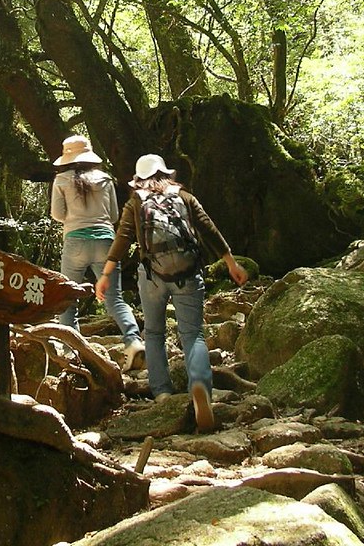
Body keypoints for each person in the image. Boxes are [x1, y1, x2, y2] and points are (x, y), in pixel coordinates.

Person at [95, 154, 249, 432]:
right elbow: (209, 229)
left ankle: (162, 392)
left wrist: (105, 275)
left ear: (138, 178)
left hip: (152, 275)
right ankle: (200, 384)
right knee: (193, 335)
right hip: (189, 272)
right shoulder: (184, 197)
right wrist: (231, 263)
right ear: (166, 174)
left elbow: (122, 239)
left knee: (153, 333)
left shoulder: (136, 202)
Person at [50, 135, 145, 370]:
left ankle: (71, 352)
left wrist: (76, 218)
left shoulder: (61, 180)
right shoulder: (105, 179)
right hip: (105, 242)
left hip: (75, 242)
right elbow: (113, 216)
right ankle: (133, 341)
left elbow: (57, 214)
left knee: (68, 298)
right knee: (115, 299)